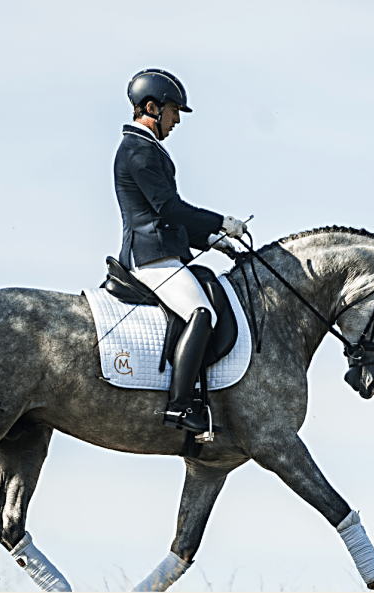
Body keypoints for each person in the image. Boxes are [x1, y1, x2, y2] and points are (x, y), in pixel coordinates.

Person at [114, 68, 247, 434]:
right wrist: (221, 221)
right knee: (200, 313)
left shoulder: (148, 149)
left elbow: (171, 223)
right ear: (152, 108)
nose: (175, 121)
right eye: (173, 112)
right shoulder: (138, 150)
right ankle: (180, 406)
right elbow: (169, 209)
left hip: (166, 252)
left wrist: (212, 242)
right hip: (150, 258)